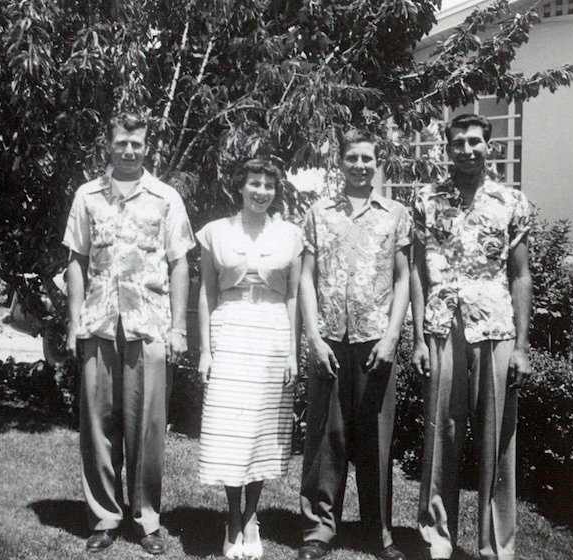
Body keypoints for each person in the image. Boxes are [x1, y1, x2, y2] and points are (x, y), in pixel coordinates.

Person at [63, 112, 195, 555]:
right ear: (109, 145)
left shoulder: (165, 197)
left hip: (149, 325)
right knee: (98, 425)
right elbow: (76, 261)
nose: (129, 151)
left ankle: (146, 519)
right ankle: (103, 517)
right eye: (121, 143)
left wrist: (179, 328)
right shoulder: (87, 196)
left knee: (147, 428)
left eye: (136, 144)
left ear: (146, 147)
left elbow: (180, 263)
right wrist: (73, 323)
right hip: (99, 325)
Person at [411, 114, 533, 560]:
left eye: (475, 142)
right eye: (458, 142)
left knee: (496, 437)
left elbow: (520, 275)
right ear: (447, 147)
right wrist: (419, 338)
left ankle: (495, 545)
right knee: (441, 432)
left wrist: (521, 346)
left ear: (490, 145)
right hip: (443, 327)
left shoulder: (511, 201)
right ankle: (437, 539)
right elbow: (417, 273)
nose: (467, 150)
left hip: (496, 327)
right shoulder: (426, 199)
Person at [298, 129, 411, 560]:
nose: (360, 166)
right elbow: (306, 276)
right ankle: (319, 529)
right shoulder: (318, 212)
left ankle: (377, 532)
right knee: (325, 440)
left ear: (377, 163)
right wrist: (312, 335)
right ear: (340, 162)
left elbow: (403, 278)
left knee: (375, 440)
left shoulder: (395, 213)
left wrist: (393, 335)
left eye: (367, 158)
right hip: (329, 339)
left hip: (375, 342)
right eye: (352, 158)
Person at [196, 158, 303, 560]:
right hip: (229, 327)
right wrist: (205, 350)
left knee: (261, 425)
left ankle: (252, 517)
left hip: (272, 331)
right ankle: (232, 518)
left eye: (269, 186)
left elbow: (293, 295)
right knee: (230, 426)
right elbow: (206, 292)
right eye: (254, 184)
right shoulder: (215, 233)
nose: (261, 192)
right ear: (239, 188)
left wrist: (293, 351)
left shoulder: (291, 236)